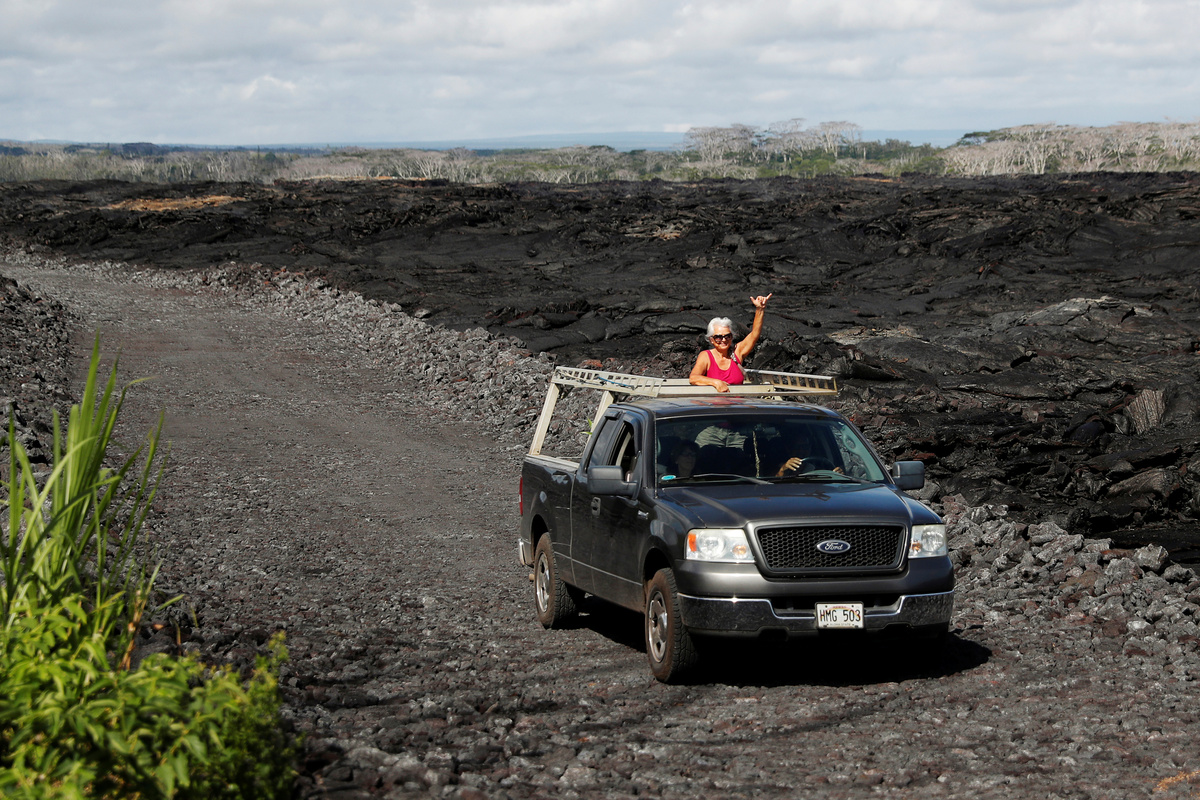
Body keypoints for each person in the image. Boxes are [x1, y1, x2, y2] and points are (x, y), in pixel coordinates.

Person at [689, 294, 773, 392]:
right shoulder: (706, 356)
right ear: (711, 339)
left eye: (727, 336)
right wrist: (716, 382)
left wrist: (760, 309)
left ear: (732, 337)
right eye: (718, 337)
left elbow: (754, 334)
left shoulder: (737, 352)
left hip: (738, 401)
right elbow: (693, 378)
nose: (724, 340)